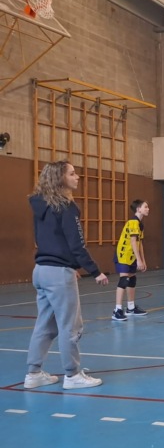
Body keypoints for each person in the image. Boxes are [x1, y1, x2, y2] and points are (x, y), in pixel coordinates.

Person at [25, 160, 108, 390]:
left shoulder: (40, 205)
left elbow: (48, 239)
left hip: (41, 271)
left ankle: (33, 373)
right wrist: (95, 271)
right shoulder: (66, 207)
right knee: (71, 326)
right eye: (72, 173)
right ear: (60, 178)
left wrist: (69, 265)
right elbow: (76, 244)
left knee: (45, 325)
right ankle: (72, 375)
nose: (77, 177)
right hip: (58, 274)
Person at [111, 199, 150, 321]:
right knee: (124, 280)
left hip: (132, 256)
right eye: (145, 207)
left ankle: (131, 308)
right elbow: (133, 241)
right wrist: (139, 260)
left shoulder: (140, 224)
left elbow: (140, 243)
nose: (148, 209)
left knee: (132, 279)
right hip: (123, 255)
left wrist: (143, 260)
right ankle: (117, 310)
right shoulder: (133, 222)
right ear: (138, 209)